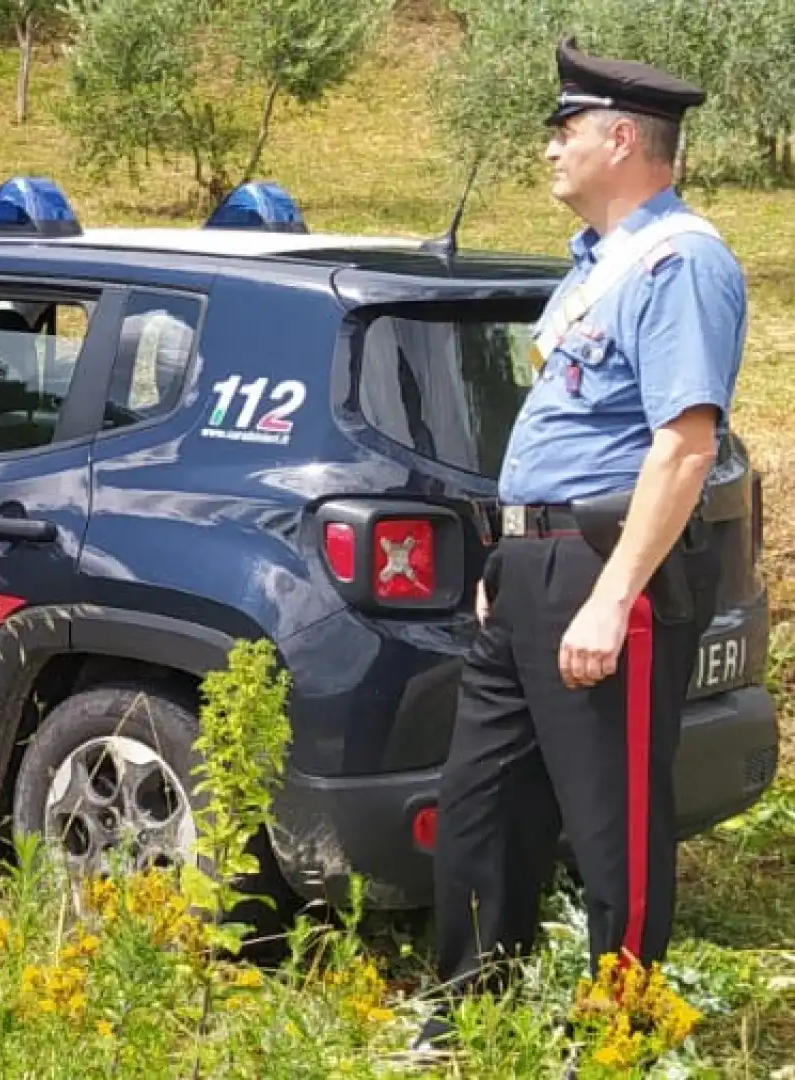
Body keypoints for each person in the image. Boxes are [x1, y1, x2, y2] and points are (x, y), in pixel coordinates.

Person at [419, 38, 747, 1049]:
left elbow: (684, 447)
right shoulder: (596, 267)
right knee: (482, 804)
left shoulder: (680, 260)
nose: (549, 151)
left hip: (608, 569)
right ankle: (466, 1019)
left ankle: (620, 1035)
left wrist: (610, 596)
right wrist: (508, 558)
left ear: (619, 136)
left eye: (563, 132)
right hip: (528, 568)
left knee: (614, 821)